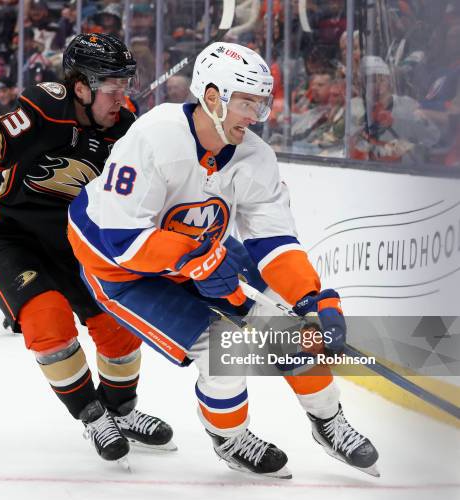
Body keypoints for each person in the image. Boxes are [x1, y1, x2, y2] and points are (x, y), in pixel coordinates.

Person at [67, 42, 379, 478]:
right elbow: (121, 238)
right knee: (222, 351)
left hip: (198, 248)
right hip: (119, 267)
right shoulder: (155, 136)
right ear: (212, 96)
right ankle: (231, 439)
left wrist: (312, 299)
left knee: (292, 329)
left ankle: (328, 421)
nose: (255, 115)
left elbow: (274, 243)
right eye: (246, 102)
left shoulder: (255, 157)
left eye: (260, 103)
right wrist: (196, 262)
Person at [0, 33, 175, 463]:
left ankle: (121, 410)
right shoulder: (47, 107)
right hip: (9, 234)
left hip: (77, 240)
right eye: (111, 86)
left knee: (118, 326)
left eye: (125, 84)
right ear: (80, 87)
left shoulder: (129, 128)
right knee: (48, 320)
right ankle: (93, 415)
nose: (122, 95)